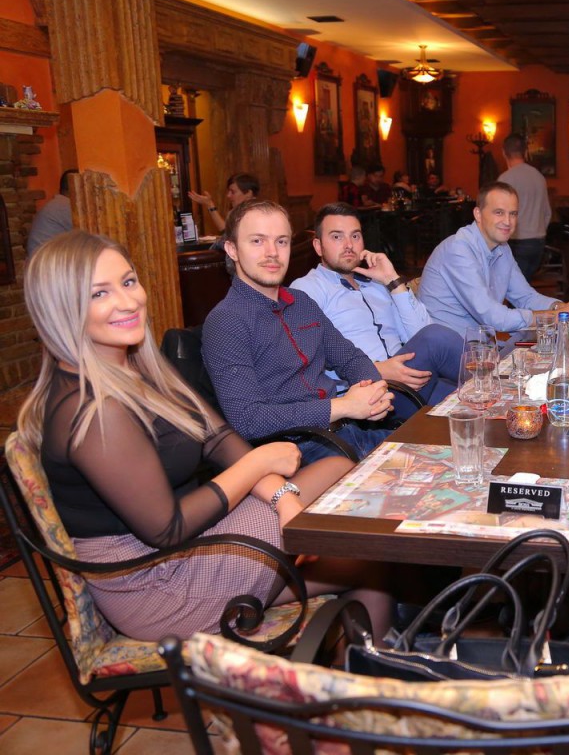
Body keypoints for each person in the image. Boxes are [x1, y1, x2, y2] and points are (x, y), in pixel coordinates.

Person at [17, 231, 397, 641]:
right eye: (99, 293)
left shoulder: (138, 367)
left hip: (186, 548)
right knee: (365, 545)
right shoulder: (92, 410)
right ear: (61, 309)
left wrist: (283, 498)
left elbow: (215, 437)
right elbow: (167, 528)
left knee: (343, 484)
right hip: (159, 584)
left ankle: (367, 663)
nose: (127, 301)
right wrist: (259, 463)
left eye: (128, 282)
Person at [202, 199, 399, 463]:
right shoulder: (226, 321)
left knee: (439, 453)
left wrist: (373, 394)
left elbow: (350, 358)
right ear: (232, 249)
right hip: (299, 453)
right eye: (258, 241)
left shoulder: (302, 302)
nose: (272, 252)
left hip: (350, 433)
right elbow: (249, 420)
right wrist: (344, 406)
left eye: (281, 241)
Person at [289, 202, 460, 405]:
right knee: (438, 338)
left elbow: (420, 332)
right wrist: (376, 369)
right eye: (337, 237)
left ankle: (490, 383)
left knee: (469, 400)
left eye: (355, 236)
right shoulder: (308, 288)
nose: (349, 245)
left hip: (411, 382)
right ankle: (491, 376)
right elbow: (308, 358)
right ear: (318, 246)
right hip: (368, 394)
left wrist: (392, 280)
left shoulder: (378, 285)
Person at [420, 182, 569, 337]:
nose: (507, 221)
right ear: (478, 214)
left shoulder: (502, 248)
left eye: (513, 214)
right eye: (499, 212)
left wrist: (560, 307)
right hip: (446, 346)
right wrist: (559, 316)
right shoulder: (458, 249)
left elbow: (525, 296)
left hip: (479, 343)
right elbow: (494, 317)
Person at [498, 133, 552, 280]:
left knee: (512, 287)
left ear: (504, 153)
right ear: (525, 152)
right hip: (538, 241)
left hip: (516, 242)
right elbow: (547, 213)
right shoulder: (539, 177)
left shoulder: (506, 179)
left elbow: (499, 215)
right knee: (524, 286)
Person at [27, 168, 78, 256]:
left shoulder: (59, 204)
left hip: (44, 259)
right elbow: (92, 235)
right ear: (74, 187)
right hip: (47, 261)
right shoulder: (65, 206)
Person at [188, 172, 259, 234]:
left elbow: (227, 233)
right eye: (229, 191)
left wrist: (210, 204)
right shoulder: (235, 211)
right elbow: (225, 230)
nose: (228, 195)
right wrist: (209, 204)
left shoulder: (257, 213)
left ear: (248, 193)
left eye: (233, 192)